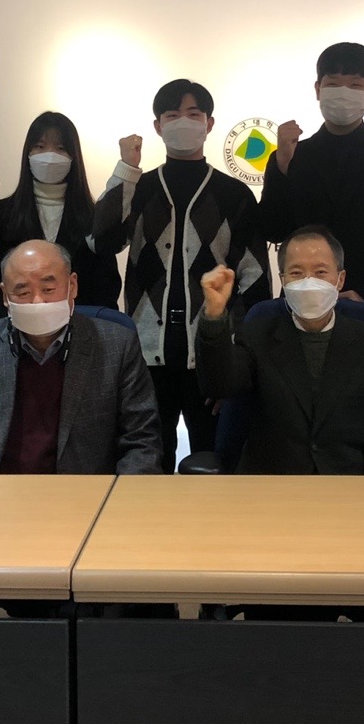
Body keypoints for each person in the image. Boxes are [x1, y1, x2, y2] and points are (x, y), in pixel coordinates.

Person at [92, 79, 270, 473]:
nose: (183, 122)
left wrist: (235, 364)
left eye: (193, 114)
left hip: (210, 355)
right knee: (147, 462)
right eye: (172, 115)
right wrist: (126, 169)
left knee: (213, 463)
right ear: (158, 126)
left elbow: (255, 281)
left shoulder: (234, 194)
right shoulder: (140, 188)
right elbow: (101, 239)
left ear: (209, 124)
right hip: (146, 354)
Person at [0, 240, 162, 474]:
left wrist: (122, 500)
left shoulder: (116, 344)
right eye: (22, 292)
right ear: (5, 296)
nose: (37, 301)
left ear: (72, 286)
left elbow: (142, 440)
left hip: (83, 496)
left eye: (48, 289)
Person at [258, 42, 364, 385]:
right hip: (301, 306)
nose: (343, 93)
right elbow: (273, 228)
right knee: (293, 399)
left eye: (355, 85)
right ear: (317, 89)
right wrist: (281, 167)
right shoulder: (293, 156)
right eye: (333, 83)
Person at [196, 225, 364, 474]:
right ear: (283, 280)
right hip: (273, 483)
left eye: (320, 272)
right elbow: (219, 384)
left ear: (340, 279)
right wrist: (214, 316)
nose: (309, 282)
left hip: (346, 483)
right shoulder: (257, 335)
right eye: (296, 273)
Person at [0, 111, 121, 322]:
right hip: (11, 328)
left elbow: (107, 290)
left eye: (60, 148)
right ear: (28, 153)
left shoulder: (93, 217)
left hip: (76, 329)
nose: (50, 155)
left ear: (73, 156)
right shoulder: (3, 213)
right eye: (40, 146)